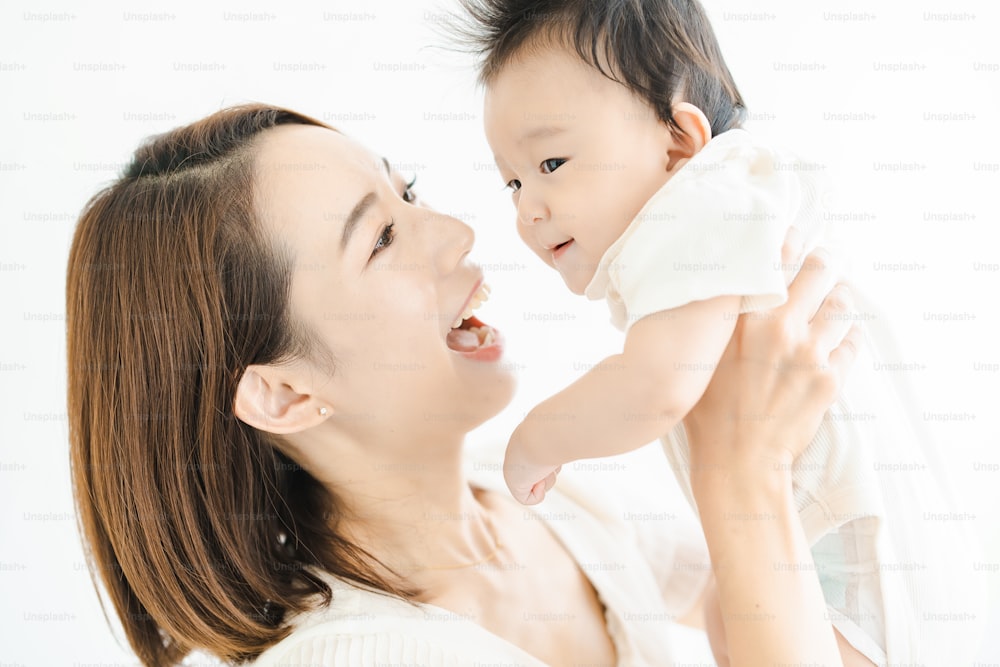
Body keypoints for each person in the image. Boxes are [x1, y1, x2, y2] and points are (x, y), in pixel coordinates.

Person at [67, 104, 861, 667]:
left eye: (407, 194)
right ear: (285, 395)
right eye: (380, 240)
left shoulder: (534, 504)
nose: (459, 232)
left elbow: (767, 613)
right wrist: (739, 474)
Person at [456, 0, 982, 663]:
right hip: (830, 532)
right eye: (511, 181)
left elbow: (655, 387)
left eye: (552, 164)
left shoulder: (699, 202)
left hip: (841, 556)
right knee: (725, 612)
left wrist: (539, 436)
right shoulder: (725, 204)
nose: (528, 208)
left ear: (678, 140)